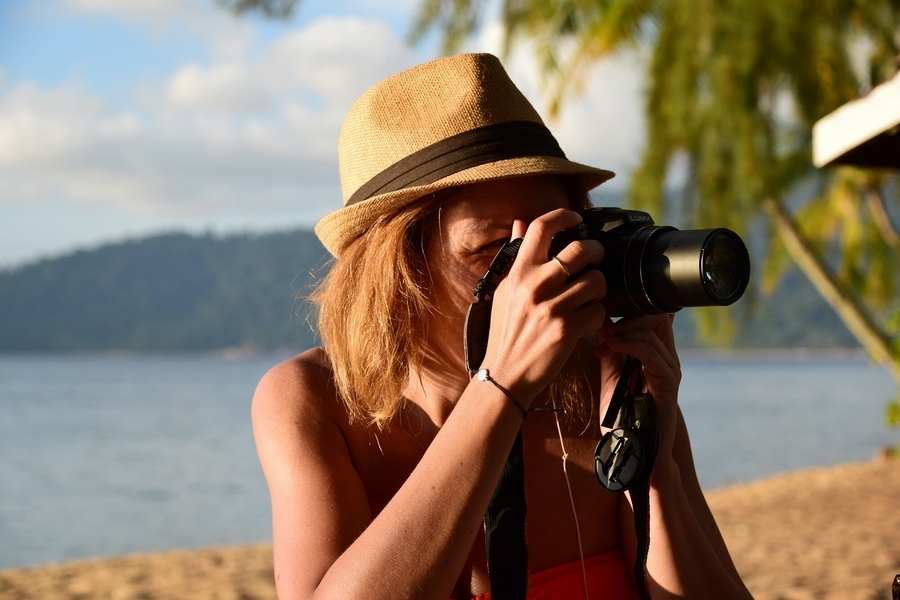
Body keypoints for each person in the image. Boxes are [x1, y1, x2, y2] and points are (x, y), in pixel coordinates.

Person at [252, 53, 752, 600]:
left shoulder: (605, 381)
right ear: (397, 274)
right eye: (497, 249)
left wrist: (652, 472)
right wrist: (500, 391)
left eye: (556, 238)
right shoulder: (313, 400)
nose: (538, 273)